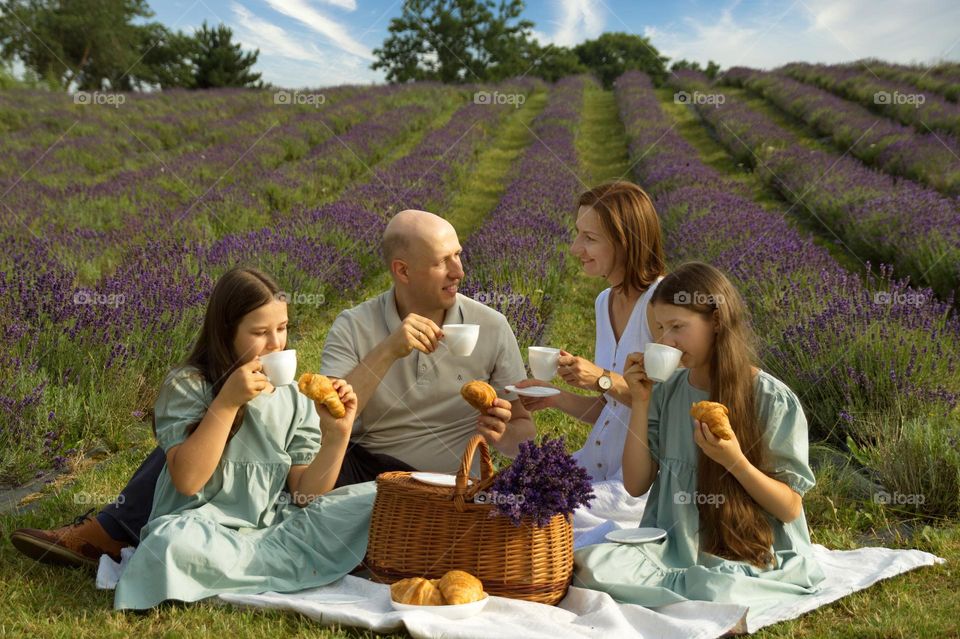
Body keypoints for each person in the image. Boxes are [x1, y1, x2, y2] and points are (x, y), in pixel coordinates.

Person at [11, 210, 535, 567]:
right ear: (402, 270)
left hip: (450, 473)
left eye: (459, 256)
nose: (460, 270)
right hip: (362, 458)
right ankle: (118, 528)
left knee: (239, 427)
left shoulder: (492, 327)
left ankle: (116, 528)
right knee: (224, 417)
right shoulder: (356, 325)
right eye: (445, 261)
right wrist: (388, 351)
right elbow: (331, 407)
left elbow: (522, 433)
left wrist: (502, 432)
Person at [573, 262, 825, 625]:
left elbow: (788, 508)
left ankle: (709, 596)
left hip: (752, 548)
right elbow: (635, 483)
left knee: (716, 588)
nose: (666, 341)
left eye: (678, 327)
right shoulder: (668, 391)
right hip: (676, 545)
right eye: (659, 329)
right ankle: (702, 596)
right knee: (590, 566)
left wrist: (735, 461)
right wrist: (642, 401)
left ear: (717, 322)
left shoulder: (770, 398)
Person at [111, 267, 375, 610]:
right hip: (201, 529)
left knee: (377, 497)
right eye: (260, 332)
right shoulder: (189, 386)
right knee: (169, 545)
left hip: (274, 530)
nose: (276, 343)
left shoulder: (293, 397)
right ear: (227, 332)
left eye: (282, 329)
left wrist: (338, 435)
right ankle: (285, 570)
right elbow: (188, 481)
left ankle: (238, 572)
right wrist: (227, 402)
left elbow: (307, 494)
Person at [517, 181, 666, 481]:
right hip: (597, 468)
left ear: (625, 241)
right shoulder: (605, 302)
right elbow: (609, 411)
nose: (575, 248)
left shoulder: (661, 304)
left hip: (639, 483)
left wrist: (601, 379)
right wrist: (554, 397)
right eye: (578, 234)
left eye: (589, 238)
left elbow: (668, 411)